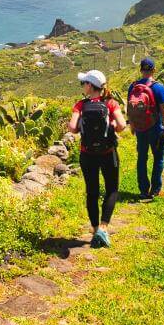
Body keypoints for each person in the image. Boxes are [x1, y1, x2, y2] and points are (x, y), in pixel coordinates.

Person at [69, 69, 126, 248]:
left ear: (89, 85)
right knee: (111, 190)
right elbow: (122, 125)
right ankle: (103, 227)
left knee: (92, 192)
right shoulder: (111, 103)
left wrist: (80, 125)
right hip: (108, 153)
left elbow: (72, 127)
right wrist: (112, 125)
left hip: (87, 154)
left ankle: (95, 230)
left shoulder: (80, 105)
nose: (82, 86)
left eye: (83, 83)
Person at [127, 57, 164, 200]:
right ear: (154, 70)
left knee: (141, 158)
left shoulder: (133, 87)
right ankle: (155, 189)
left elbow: (130, 109)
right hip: (155, 128)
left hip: (140, 128)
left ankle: (143, 190)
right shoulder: (158, 87)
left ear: (141, 70)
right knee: (158, 158)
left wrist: (133, 126)